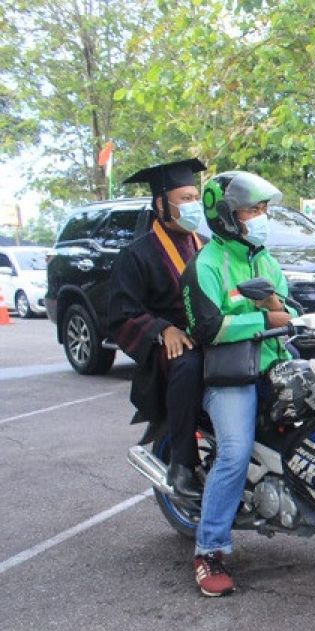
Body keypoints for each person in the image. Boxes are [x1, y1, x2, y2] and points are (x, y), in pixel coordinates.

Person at [181, 171, 295, 597]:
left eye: (263, 209)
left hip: (274, 365)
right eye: (251, 210)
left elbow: (291, 308)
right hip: (228, 376)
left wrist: (275, 304)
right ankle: (208, 549)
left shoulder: (263, 258)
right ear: (227, 216)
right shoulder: (205, 266)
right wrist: (262, 318)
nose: (260, 217)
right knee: (234, 451)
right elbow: (206, 328)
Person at [109, 158, 208, 498]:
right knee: (189, 364)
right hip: (171, 345)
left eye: (196, 196)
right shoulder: (137, 255)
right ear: (161, 204)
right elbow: (122, 314)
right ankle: (183, 463)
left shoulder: (207, 246)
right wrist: (163, 330)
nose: (193, 204)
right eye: (184, 198)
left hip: (213, 332)